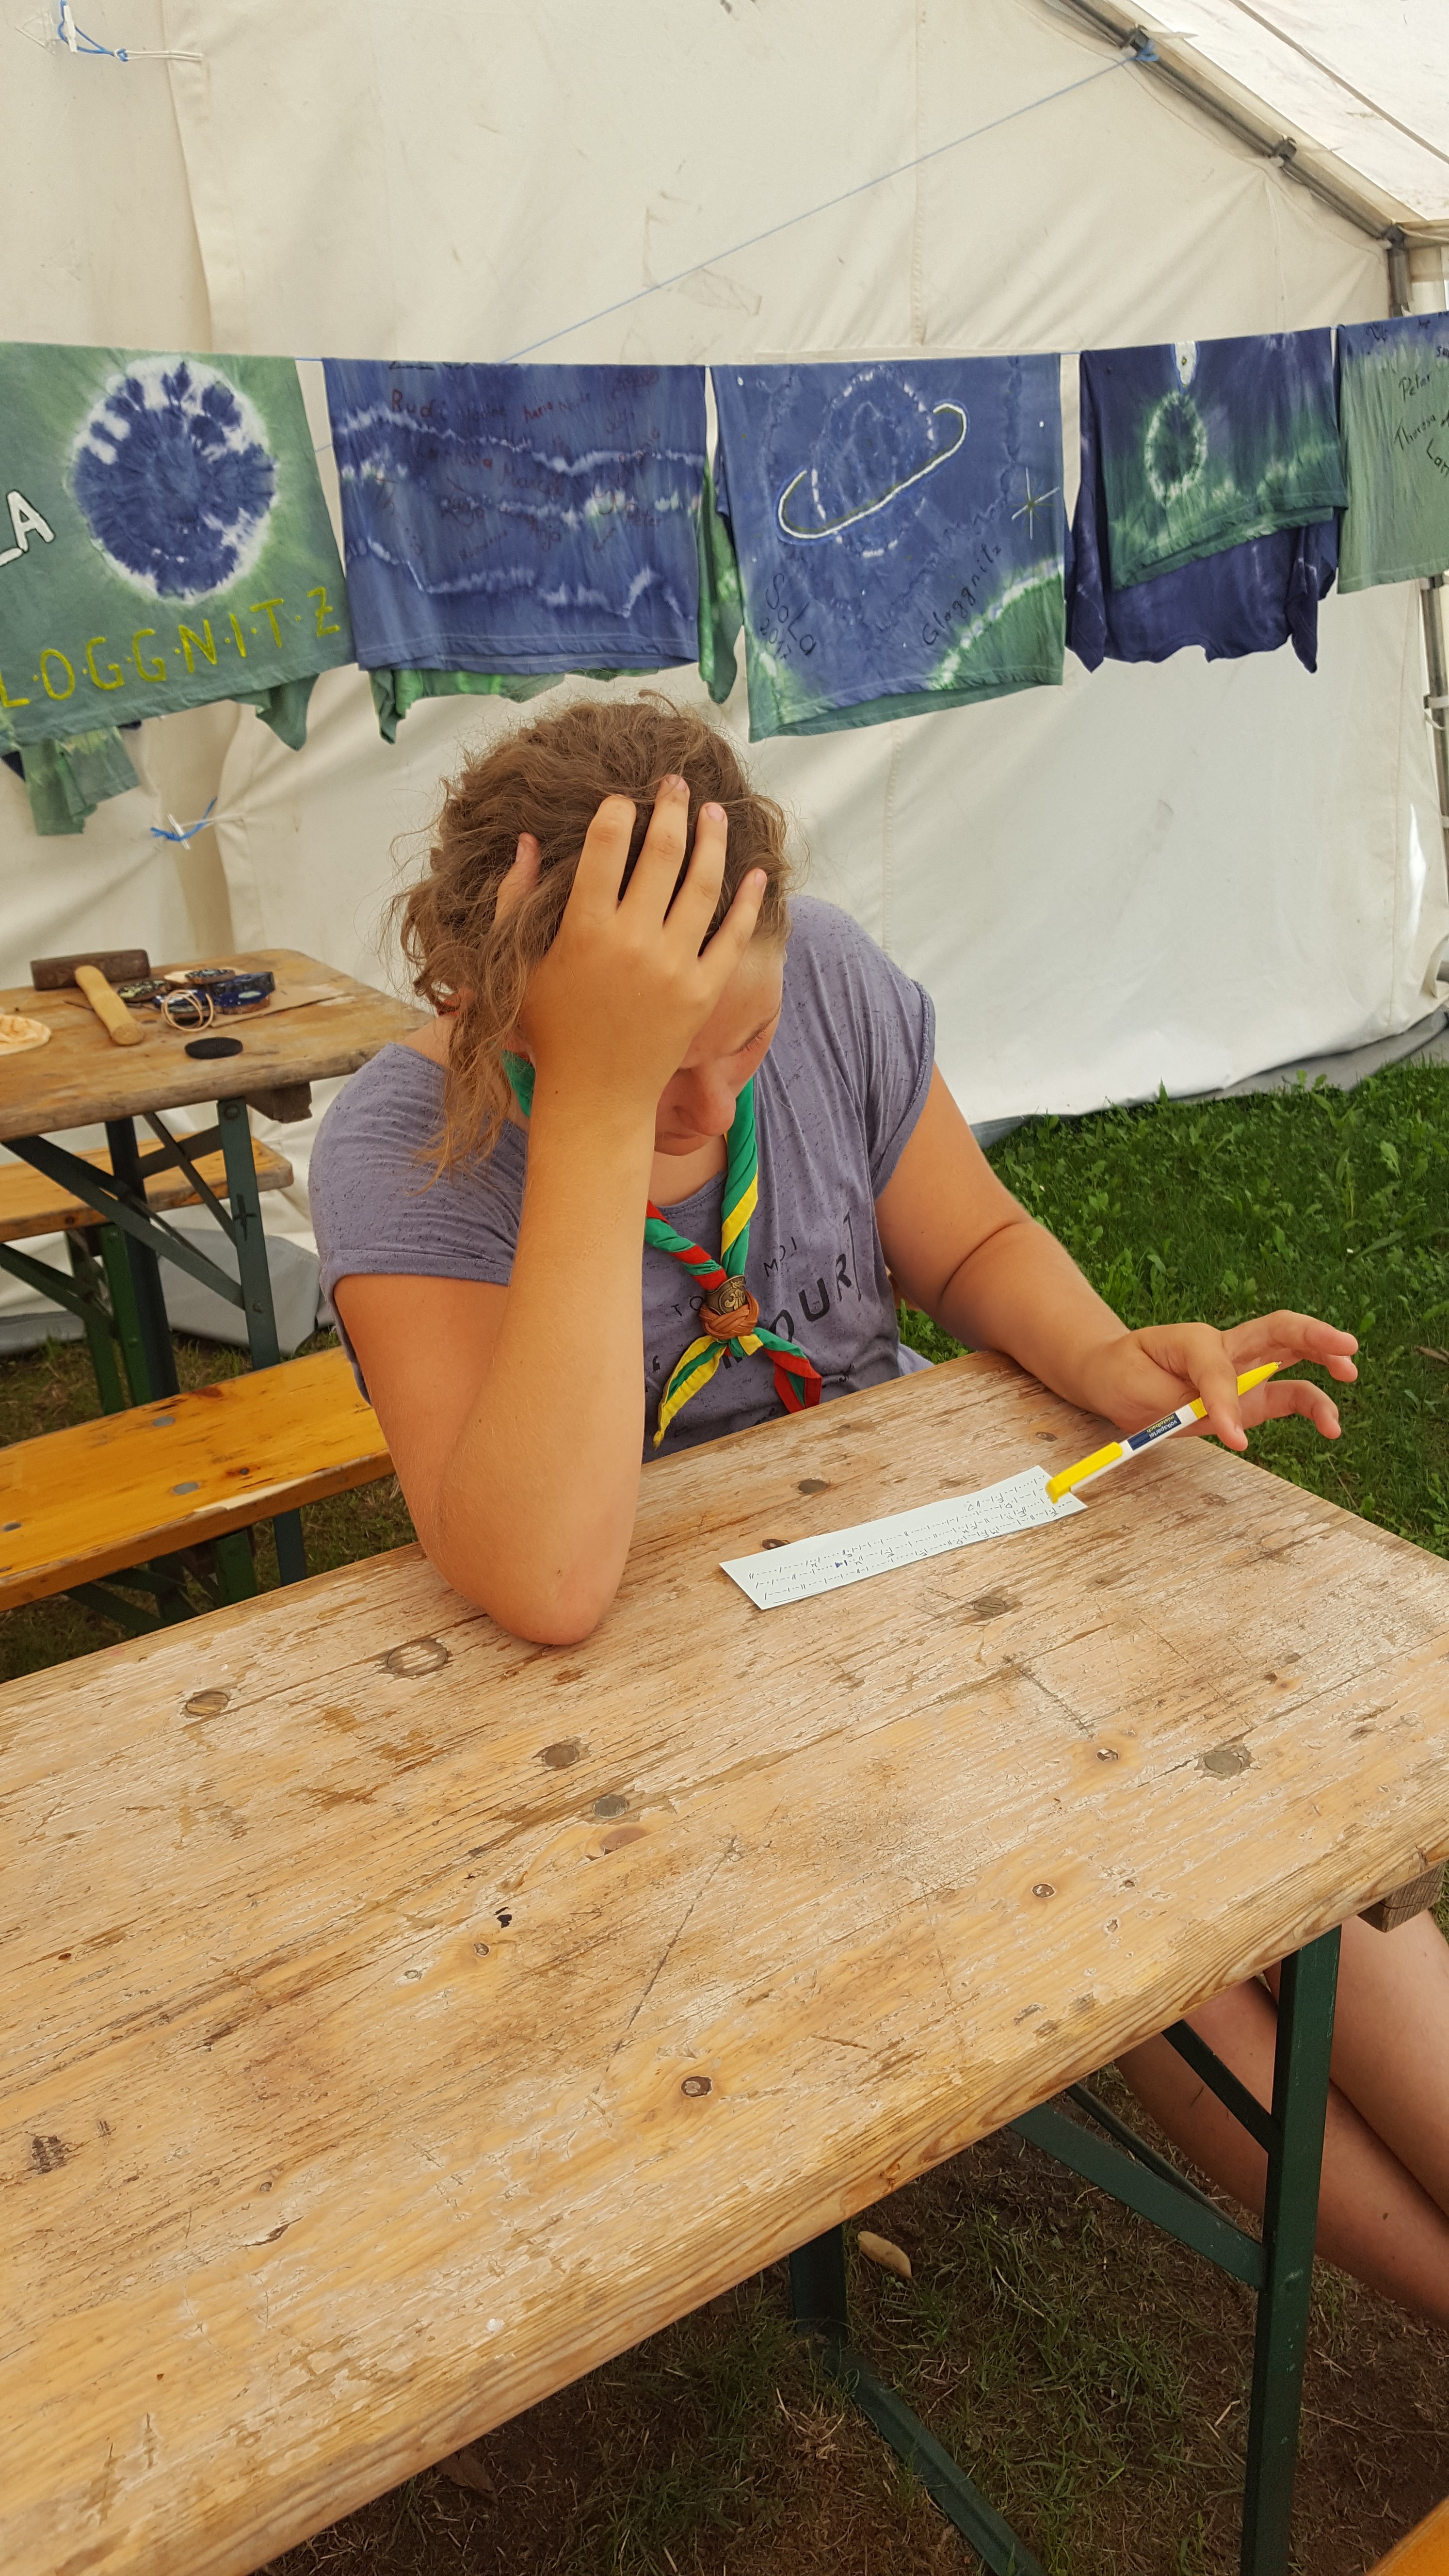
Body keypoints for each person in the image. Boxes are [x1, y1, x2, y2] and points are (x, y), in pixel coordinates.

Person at [311, 693, 1449, 2324]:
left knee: (1273, 1837)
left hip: (919, 1561)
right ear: (480, 1006)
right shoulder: (403, 1146)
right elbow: (545, 1575)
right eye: (653, 1072)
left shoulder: (831, 976)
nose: (711, 1111)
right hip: (662, 1697)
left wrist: (1106, 1357)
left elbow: (969, 1245)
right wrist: (594, 1111)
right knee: (1143, 1891)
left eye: (742, 1047)